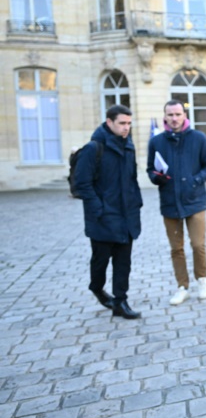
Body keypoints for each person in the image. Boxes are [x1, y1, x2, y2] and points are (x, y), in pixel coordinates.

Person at [74, 104, 142, 319]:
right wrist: (98, 208)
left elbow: (132, 180)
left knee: (124, 263)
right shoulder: (94, 148)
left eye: (129, 123)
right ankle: (97, 288)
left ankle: (120, 301)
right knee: (100, 261)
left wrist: (136, 204)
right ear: (109, 122)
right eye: (122, 123)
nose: (126, 128)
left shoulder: (129, 147)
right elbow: (82, 183)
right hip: (103, 218)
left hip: (126, 216)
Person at [147, 100, 206, 306]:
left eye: (178, 114)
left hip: (194, 201)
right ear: (165, 117)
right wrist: (156, 177)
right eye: (170, 114)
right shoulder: (156, 141)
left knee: (198, 245)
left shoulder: (198, 138)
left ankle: (202, 280)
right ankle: (182, 286)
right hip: (169, 202)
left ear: (184, 115)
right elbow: (150, 169)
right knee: (176, 248)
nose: (174, 118)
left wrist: (195, 180)